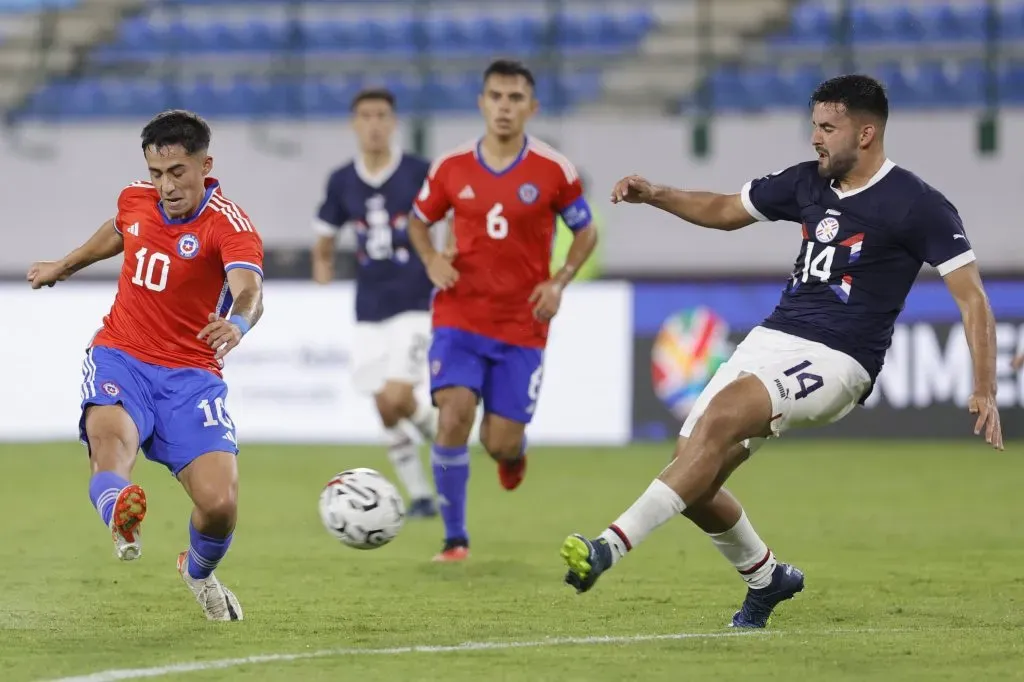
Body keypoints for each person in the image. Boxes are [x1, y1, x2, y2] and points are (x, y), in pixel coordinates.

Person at [559, 75, 1004, 628]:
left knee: (719, 420)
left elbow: (973, 299)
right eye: (813, 124)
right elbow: (725, 209)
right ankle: (767, 577)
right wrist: (657, 195)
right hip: (774, 337)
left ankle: (608, 547)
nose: (814, 138)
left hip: (840, 360)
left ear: (866, 133)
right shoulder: (807, 184)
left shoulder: (917, 205)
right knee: (694, 475)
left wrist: (983, 385)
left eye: (827, 127)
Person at [26, 110, 265, 622]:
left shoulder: (229, 224)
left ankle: (197, 572)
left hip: (191, 378)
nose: (166, 186)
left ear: (206, 164)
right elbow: (118, 231)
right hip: (122, 355)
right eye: (157, 174)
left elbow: (249, 291)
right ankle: (121, 514)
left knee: (220, 506)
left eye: (177, 172)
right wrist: (63, 267)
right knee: (110, 445)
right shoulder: (137, 199)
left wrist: (239, 325)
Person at [407, 59, 599, 562]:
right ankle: (455, 540)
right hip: (459, 314)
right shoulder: (450, 167)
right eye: (496, 96)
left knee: (500, 442)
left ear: (531, 108)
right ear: (482, 103)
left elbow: (586, 230)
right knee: (453, 414)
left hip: (522, 323)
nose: (504, 107)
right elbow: (418, 221)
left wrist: (559, 282)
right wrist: (430, 259)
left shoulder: (554, 170)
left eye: (515, 99)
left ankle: (511, 455)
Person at [312, 87, 439, 518]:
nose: (374, 124)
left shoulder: (420, 172)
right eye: (365, 115)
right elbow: (325, 232)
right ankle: (421, 494)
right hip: (368, 307)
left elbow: (456, 213)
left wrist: (447, 257)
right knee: (384, 403)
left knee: (400, 395)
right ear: (354, 123)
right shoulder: (342, 180)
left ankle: (447, 436)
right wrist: (323, 266)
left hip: (416, 301)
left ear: (394, 121)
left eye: (382, 115)